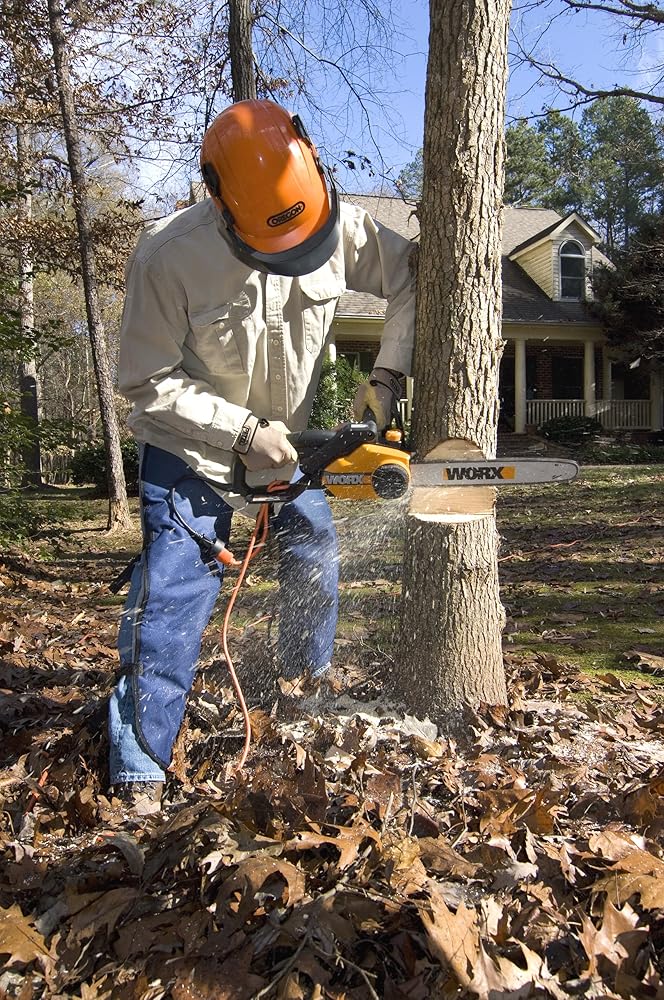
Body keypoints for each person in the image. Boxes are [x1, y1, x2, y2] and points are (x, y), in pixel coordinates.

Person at [109, 99, 416, 809]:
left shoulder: (341, 227)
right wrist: (242, 431)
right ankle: (140, 764)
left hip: (292, 447)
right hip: (193, 453)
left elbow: (413, 279)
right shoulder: (167, 257)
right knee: (173, 596)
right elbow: (143, 381)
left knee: (315, 565)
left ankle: (299, 712)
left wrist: (386, 378)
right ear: (219, 200)